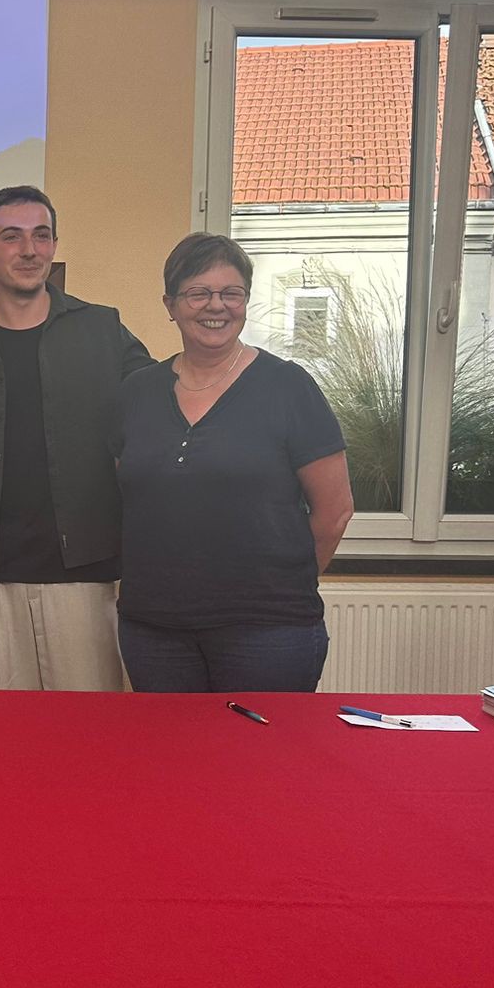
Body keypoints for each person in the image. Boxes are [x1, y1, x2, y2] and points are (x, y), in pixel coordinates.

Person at [0, 185, 154, 691]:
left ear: (54, 245)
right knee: (9, 728)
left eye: (41, 235)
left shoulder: (101, 328)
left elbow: (156, 407)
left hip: (85, 571)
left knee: (88, 727)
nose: (29, 250)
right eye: (12, 237)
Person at [114, 232, 354, 692]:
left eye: (231, 293)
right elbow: (128, 493)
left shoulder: (289, 387)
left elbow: (335, 510)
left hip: (268, 632)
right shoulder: (136, 393)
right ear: (170, 304)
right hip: (154, 632)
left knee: (259, 742)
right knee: (169, 742)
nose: (216, 306)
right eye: (198, 293)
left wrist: (281, 585)